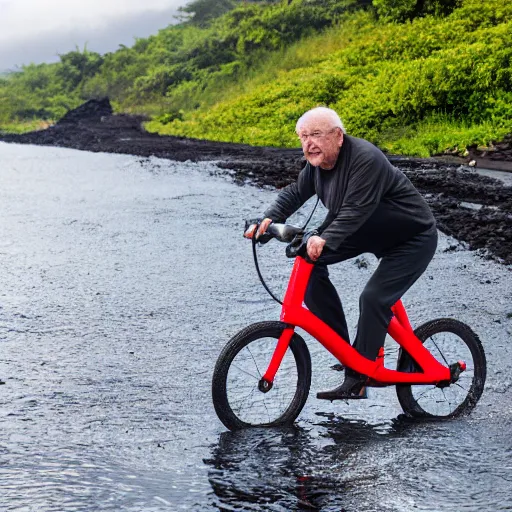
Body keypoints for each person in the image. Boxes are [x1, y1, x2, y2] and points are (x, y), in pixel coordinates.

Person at [244, 106, 437, 400]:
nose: (309, 143)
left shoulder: (365, 159)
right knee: (306, 261)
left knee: (373, 298)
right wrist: (267, 219)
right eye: (304, 137)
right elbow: (295, 192)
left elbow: (356, 209)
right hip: (366, 231)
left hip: (410, 238)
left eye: (316, 135)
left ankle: (360, 376)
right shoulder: (318, 165)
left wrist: (324, 237)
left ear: (338, 136)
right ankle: (345, 349)